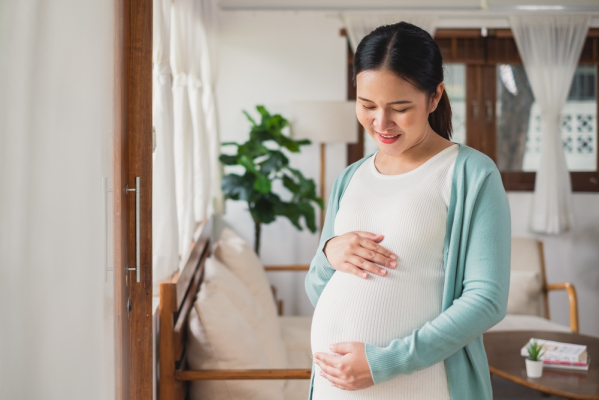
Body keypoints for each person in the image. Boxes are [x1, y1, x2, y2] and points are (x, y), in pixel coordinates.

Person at [305, 21, 511, 400]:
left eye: (400, 108)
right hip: (337, 389)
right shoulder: (350, 178)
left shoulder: (470, 174)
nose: (380, 123)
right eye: (367, 105)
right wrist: (329, 252)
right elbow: (317, 288)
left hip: (421, 385)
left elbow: (487, 300)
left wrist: (385, 361)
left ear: (435, 97)